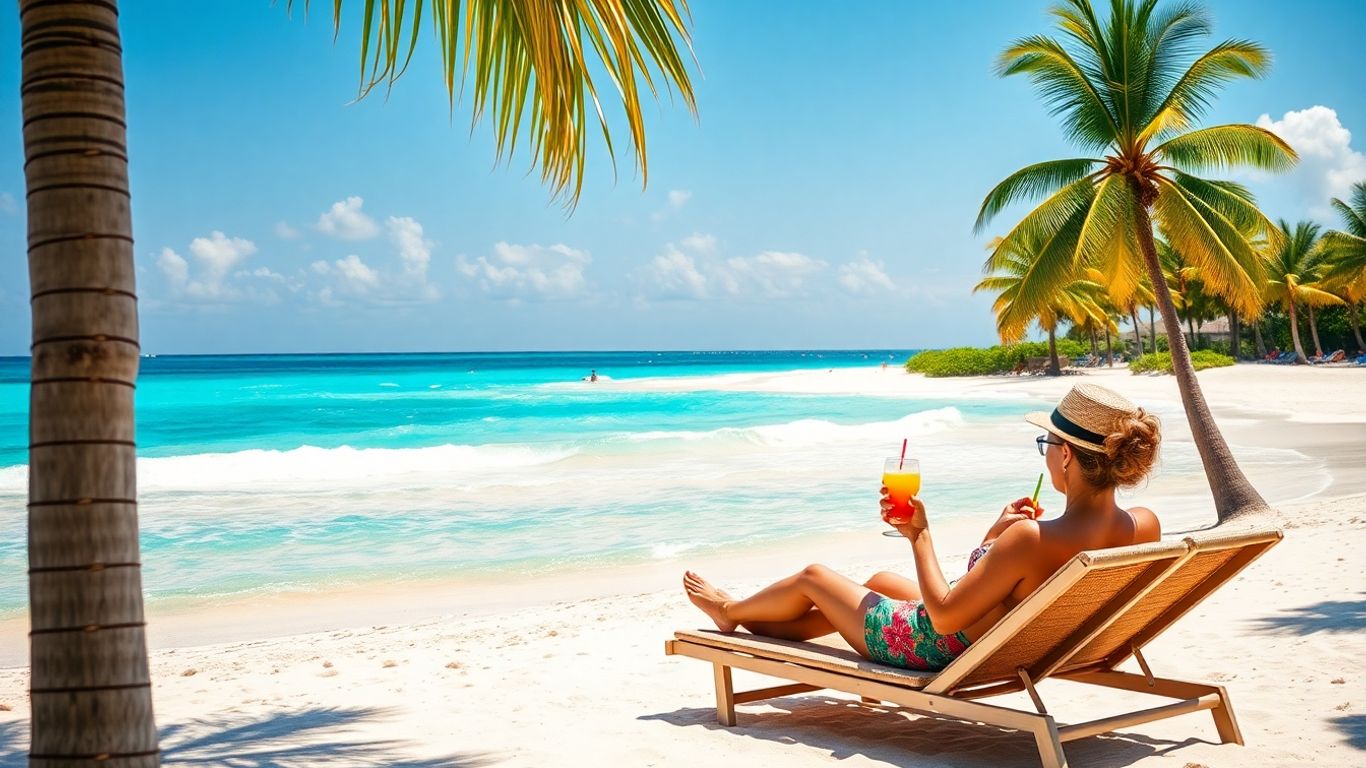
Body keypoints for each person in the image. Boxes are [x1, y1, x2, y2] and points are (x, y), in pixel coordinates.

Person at [683, 383, 1162, 672]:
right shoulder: (1143, 526)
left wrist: (920, 535)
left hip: (935, 647)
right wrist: (994, 537)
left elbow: (945, 618)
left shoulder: (1031, 539)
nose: (1047, 454)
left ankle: (730, 610)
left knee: (814, 576)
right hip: (1017, 645)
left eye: (1047, 444)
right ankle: (751, 618)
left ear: (1065, 455)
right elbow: (1003, 591)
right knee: (874, 584)